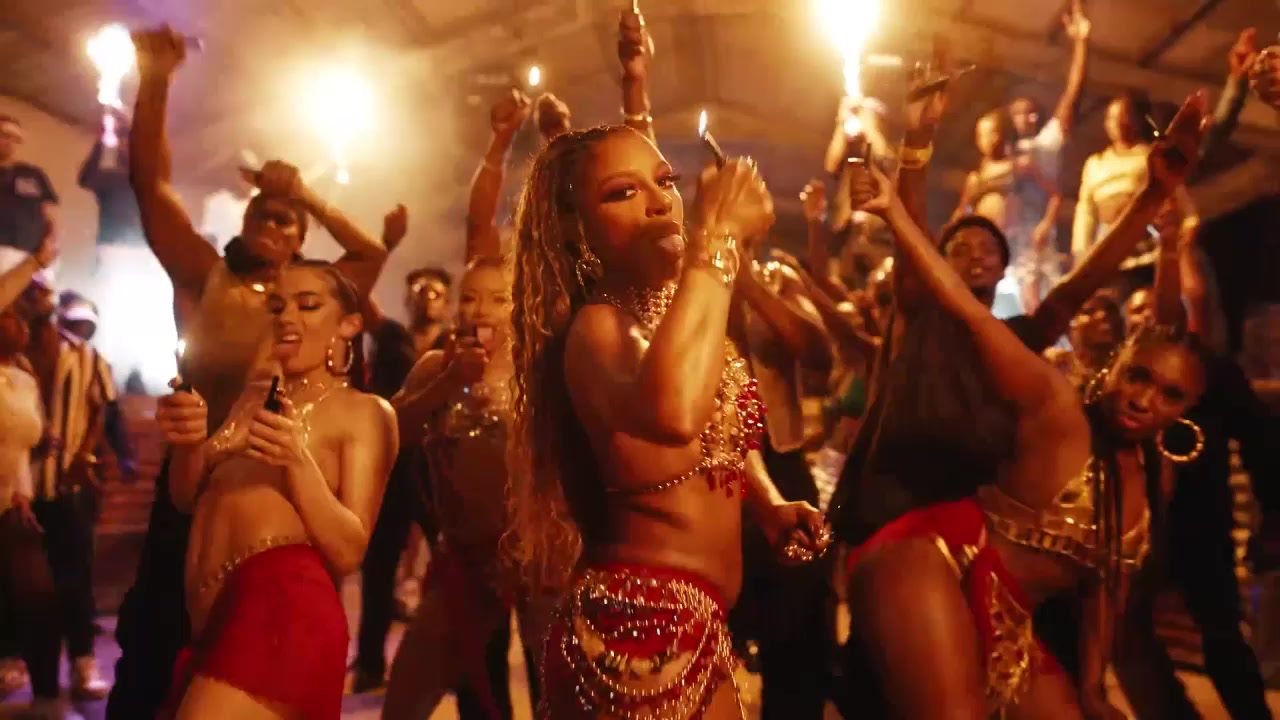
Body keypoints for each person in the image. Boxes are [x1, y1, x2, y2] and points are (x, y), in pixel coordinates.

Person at [843, 94, 1210, 716]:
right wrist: (907, 174)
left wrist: (1153, 200)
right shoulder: (925, 318)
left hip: (1004, 591)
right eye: (959, 247)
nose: (1145, 399)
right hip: (910, 532)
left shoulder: (1023, 344)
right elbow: (931, 280)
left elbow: (1081, 291)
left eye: (988, 248)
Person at [107, 26, 389, 720]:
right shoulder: (209, 277)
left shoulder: (311, 304)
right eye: (265, 211)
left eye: (290, 221)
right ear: (244, 217)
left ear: (302, 244)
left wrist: (304, 193)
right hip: (194, 478)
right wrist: (155, 79)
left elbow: (369, 255)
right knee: (150, 664)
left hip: (276, 508)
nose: (275, 222)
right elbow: (150, 186)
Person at [504, 126, 831, 718]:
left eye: (666, 181)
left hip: (703, 624)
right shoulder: (597, 330)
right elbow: (676, 412)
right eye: (622, 192)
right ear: (575, 229)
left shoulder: (670, 318)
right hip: (638, 629)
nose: (660, 202)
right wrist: (719, 238)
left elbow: (719, 432)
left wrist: (768, 505)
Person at [152, 260, 396, 719]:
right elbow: (185, 499)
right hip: (214, 620)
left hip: (282, 606)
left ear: (348, 324)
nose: (288, 318)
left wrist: (297, 461)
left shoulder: (363, 411)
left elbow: (349, 550)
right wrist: (190, 443)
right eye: (278, 307)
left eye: (308, 305)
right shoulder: (253, 399)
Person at [381, 255, 534, 719]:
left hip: (539, 562)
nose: (480, 311)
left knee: (560, 699)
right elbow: (389, 432)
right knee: (407, 701)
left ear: (521, 303)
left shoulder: (541, 368)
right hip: (465, 560)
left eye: (497, 298)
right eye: (469, 298)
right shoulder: (436, 365)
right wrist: (448, 383)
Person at [0, 239, 62, 716]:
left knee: (39, 595)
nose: (20, 323)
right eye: (10, 313)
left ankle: (46, 701)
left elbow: (18, 446)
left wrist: (22, 493)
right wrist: (36, 262)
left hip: (8, 506)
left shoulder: (22, 377)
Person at [1002, 0, 1091, 313]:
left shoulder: (1049, 140)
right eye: (1018, 113)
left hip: (1041, 240)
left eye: (1030, 112)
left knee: (1045, 306)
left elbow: (1073, 93)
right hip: (1010, 244)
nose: (1025, 118)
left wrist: (1081, 43)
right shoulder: (1008, 154)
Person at [1072, 92, 1154, 281]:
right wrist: (1080, 252)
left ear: (1137, 120)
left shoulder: (1149, 156)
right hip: (1107, 246)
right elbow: (1086, 211)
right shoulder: (1095, 163)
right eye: (1110, 117)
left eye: (1123, 115)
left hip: (1143, 245)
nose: (1116, 122)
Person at [0, 115, 58, 255]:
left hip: (28, 254)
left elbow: (47, 214)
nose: (10, 142)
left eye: (16, 138)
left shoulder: (33, 174)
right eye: (5, 135)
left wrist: (50, 243)